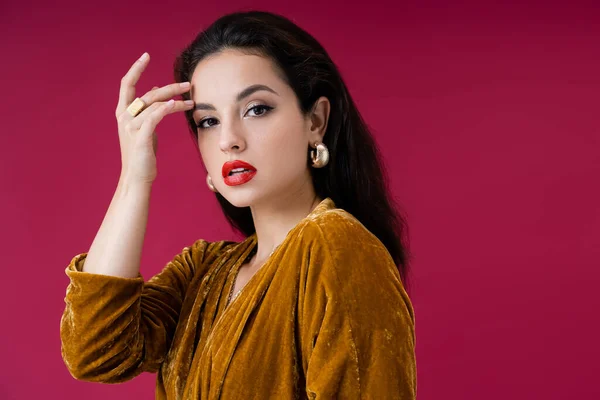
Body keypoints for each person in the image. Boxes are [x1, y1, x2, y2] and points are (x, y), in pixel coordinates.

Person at [60, 10, 417, 399]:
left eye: (257, 109)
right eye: (208, 121)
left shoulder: (338, 248)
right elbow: (95, 350)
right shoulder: (204, 271)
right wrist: (134, 177)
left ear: (315, 120)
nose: (229, 139)